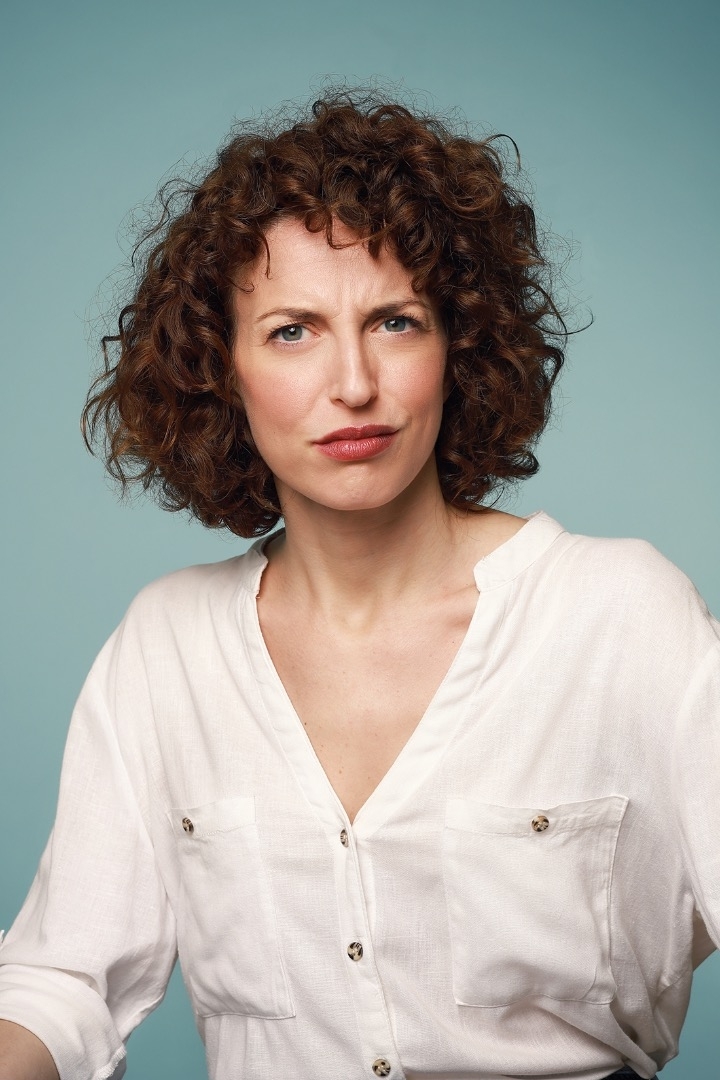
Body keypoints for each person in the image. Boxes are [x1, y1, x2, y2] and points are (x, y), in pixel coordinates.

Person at [0, 90, 717, 1080]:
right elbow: (63, 980)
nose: (353, 384)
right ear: (221, 370)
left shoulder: (619, 615)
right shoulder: (167, 646)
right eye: (292, 331)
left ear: (458, 348)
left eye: (395, 322)